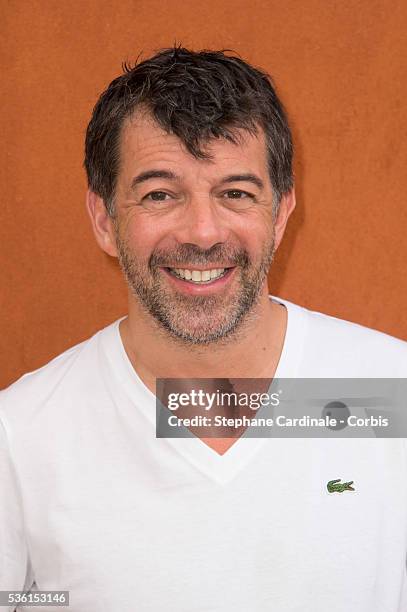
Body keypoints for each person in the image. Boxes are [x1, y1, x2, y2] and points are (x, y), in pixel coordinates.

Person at [1, 46, 406, 612]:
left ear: (282, 213)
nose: (201, 231)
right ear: (103, 219)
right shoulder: (19, 438)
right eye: (159, 194)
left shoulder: (393, 394)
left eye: (235, 193)